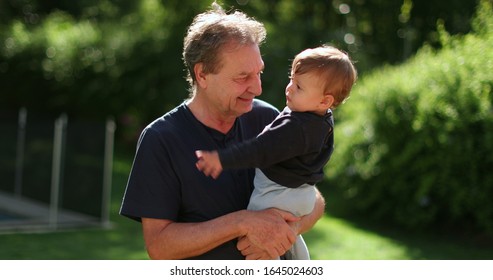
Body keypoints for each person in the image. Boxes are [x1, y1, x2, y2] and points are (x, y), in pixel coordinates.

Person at [119, 2, 326, 260]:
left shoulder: (271, 118)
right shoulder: (161, 139)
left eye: (259, 73)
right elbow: (159, 246)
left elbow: (314, 199)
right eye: (242, 77)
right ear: (203, 75)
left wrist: (286, 230)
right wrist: (242, 222)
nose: (257, 88)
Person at [195, 45, 358, 259]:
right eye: (291, 79)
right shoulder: (321, 118)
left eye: (299, 87)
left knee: (257, 241)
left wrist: (222, 159)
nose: (289, 88)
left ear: (325, 100)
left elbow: (259, 149)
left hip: (277, 194)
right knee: (283, 239)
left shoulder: (296, 128)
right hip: (299, 194)